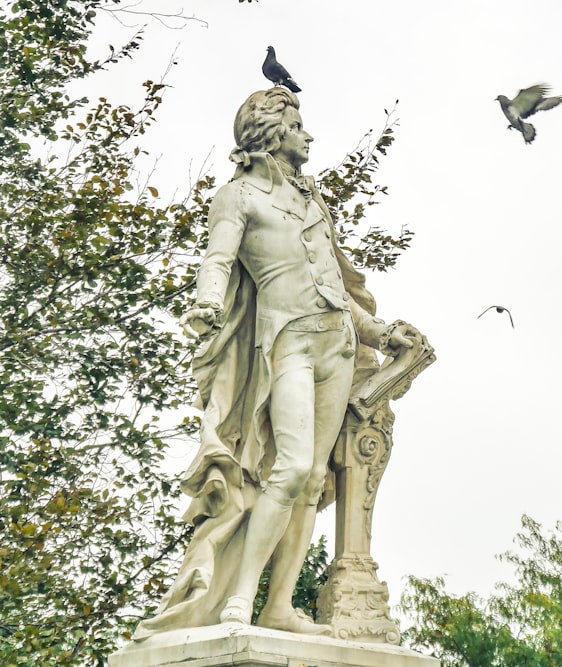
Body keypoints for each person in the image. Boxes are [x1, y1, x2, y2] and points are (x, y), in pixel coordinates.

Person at [133, 87, 416, 640]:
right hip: (286, 343)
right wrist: (207, 304)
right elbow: (217, 260)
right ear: (271, 132)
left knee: (312, 478)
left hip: (335, 345)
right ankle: (239, 597)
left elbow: (336, 288)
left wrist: (380, 331)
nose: (308, 135)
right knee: (286, 470)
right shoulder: (237, 197)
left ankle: (278, 607)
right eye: (298, 125)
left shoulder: (313, 201)